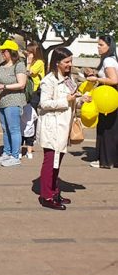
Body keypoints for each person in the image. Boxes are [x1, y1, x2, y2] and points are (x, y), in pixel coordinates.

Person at [37, 47, 89, 210]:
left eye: (71, 61)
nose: (70, 65)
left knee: (57, 162)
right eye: (67, 62)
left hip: (63, 127)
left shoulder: (69, 79)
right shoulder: (49, 80)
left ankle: (54, 191)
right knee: (50, 161)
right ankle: (46, 195)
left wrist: (81, 99)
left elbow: (73, 99)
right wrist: (65, 100)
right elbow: (44, 104)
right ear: (57, 63)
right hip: (52, 127)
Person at [85, 35, 118, 169]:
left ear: (109, 47)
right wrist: (95, 74)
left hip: (107, 98)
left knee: (106, 129)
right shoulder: (111, 60)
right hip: (111, 98)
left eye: (101, 45)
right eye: (98, 45)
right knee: (112, 129)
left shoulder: (108, 61)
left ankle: (105, 160)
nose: (98, 47)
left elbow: (114, 80)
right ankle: (112, 159)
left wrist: (96, 80)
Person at [0, 40, 27, 167]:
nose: (2, 53)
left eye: (5, 50)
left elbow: (21, 84)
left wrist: (4, 86)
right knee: (5, 129)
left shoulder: (19, 65)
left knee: (14, 129)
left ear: (11, 52)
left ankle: (15, 155)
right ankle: (6, 153)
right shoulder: (1, 65)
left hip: (13, 100)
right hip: (1, 100)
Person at [26, 42, 45, 108]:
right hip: (29, 90)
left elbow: (28, 73)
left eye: (29, 52)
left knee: (32, 109)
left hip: (35, 90)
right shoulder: (32, 63)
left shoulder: (39, 62)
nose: (27, 54)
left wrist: (28, 62)